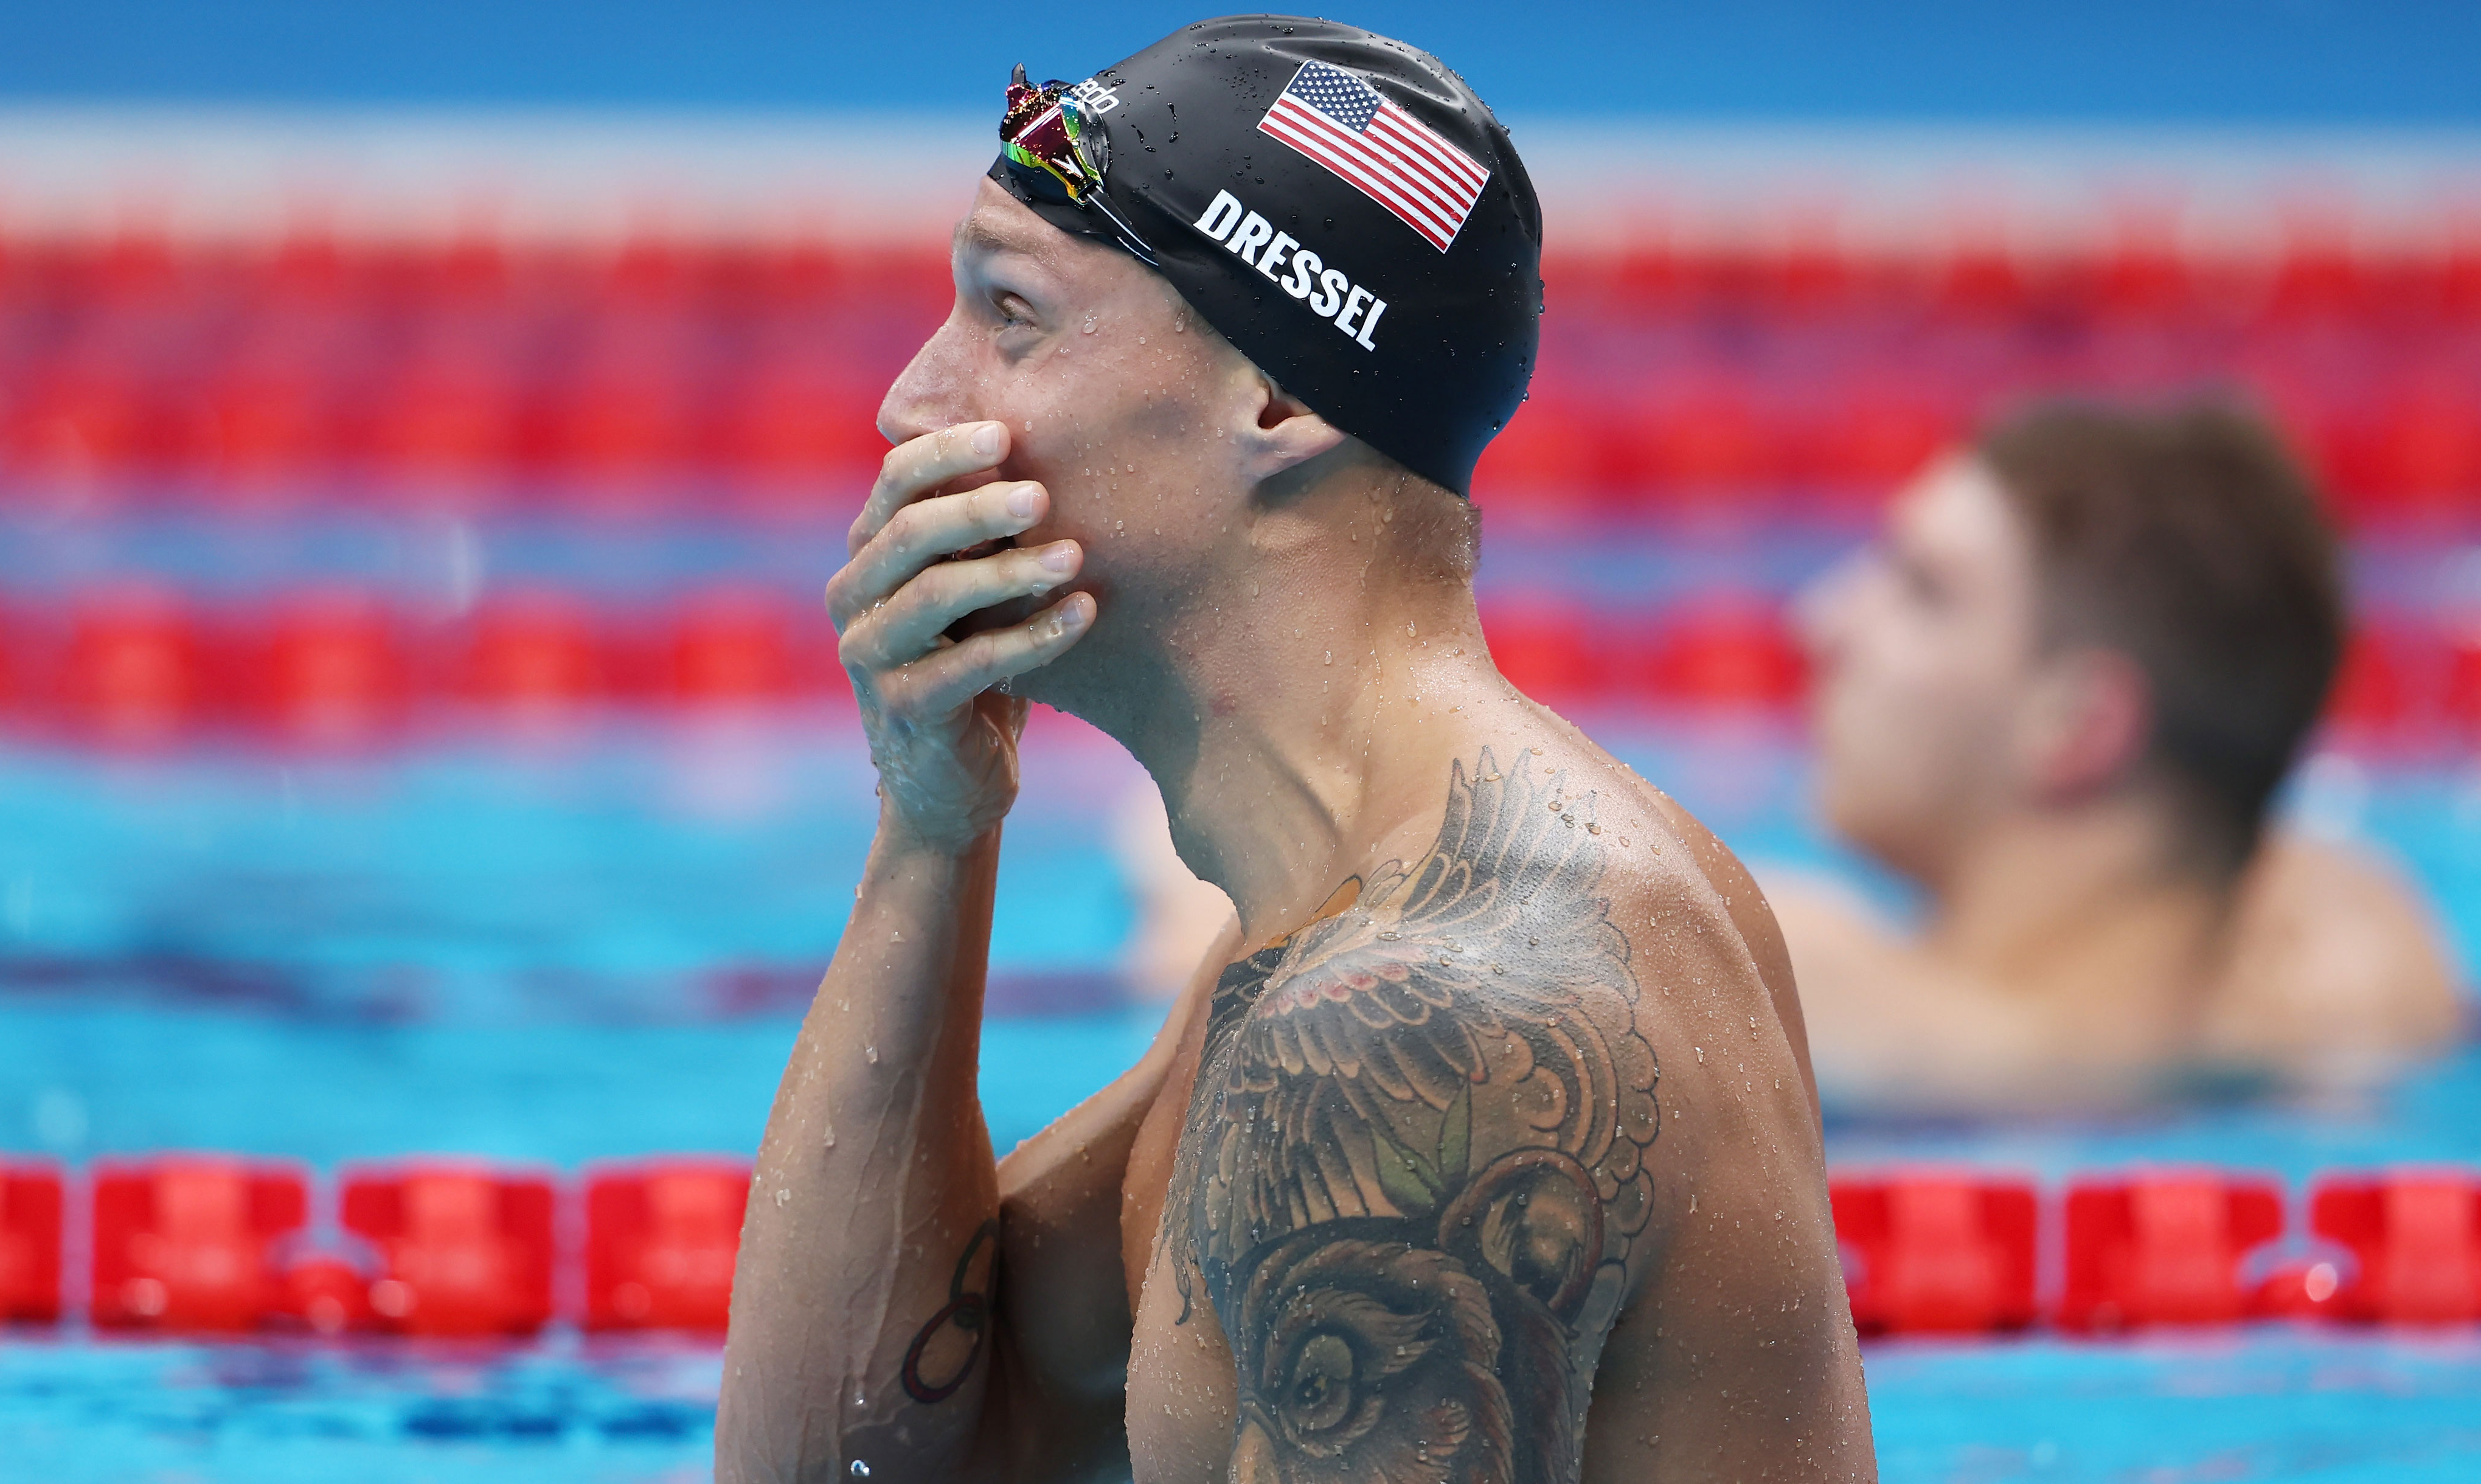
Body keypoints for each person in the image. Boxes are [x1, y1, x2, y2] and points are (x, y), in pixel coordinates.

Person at [715, 17, 1873, 1484]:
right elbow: (873, 1459)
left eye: (1007, 313)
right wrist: (931, 829)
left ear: (1277, 399)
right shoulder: (1338, 936)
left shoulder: (1439, 1021)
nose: (911, 403)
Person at [1773, 399, 2461, 1117]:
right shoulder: (2363, 985)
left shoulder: (1796, 990)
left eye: (1923, 592)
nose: (1819, 621)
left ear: (2079, 725)